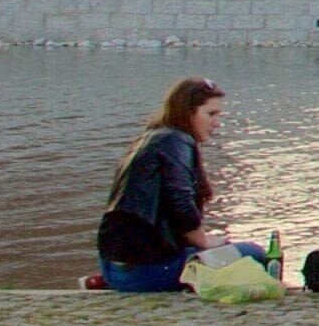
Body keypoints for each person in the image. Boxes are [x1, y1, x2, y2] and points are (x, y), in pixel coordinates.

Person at [96, 77, 232, 292]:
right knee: (253, 254)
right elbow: (181, 203)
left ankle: (105, 280)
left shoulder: (150, 137)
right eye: (211, 114)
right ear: (187, 112)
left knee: (219, 248)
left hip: (112, 266)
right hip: (145, 270)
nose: (217, 122)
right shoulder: (176, 141)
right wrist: (204, 241)